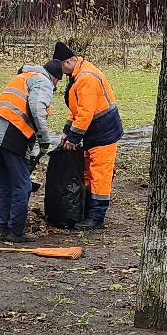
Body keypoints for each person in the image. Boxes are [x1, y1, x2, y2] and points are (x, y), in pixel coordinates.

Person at [0, 59, 60, 243]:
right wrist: (44, 140)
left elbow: (23, 113)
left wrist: (30, 153)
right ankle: (16, 231)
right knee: (23, 186)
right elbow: (36, 109)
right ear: (56, 78)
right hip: (10, 132)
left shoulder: (24, 77)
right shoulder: (44, 81)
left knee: (6, 184)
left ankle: (4, 228)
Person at [51, 41, 123, 230]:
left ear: (67, 62)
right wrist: (67, 132)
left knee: (100, 175)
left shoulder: (86, 78)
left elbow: (85, 114)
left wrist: (73, 138)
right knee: (89, 172)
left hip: (104, 133)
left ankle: (96, 217)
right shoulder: (79, 74)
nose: (61, 74)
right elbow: (76, 110)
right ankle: (88, 211)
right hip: (95, 132)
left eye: (61, 68)